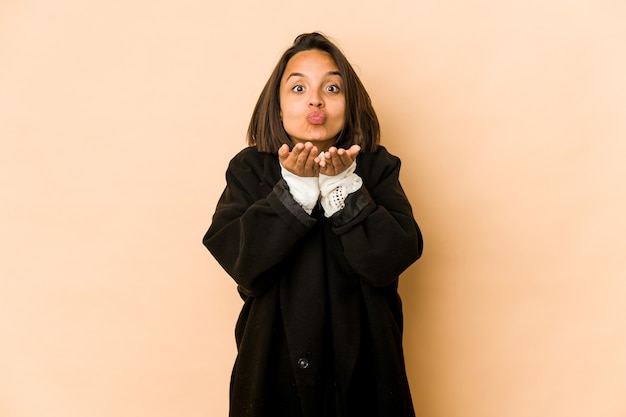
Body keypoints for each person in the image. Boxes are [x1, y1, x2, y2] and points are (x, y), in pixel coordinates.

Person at [203, 32, 423, 417]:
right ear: (277, 105)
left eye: (332, 87)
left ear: (350, 104)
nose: (315, 99)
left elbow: (392, 258)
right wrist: (295, 192)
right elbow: (244, 264)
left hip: (367, 373)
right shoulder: (249, 169)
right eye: (299, 87)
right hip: (272, 371)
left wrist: (345, 191)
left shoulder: (377, 168)